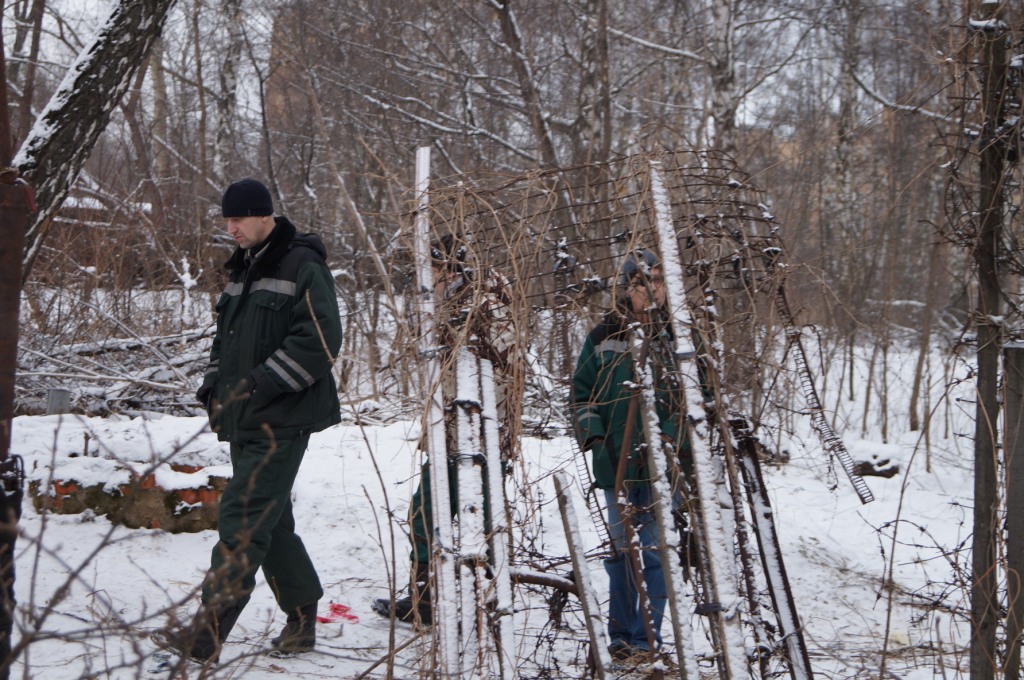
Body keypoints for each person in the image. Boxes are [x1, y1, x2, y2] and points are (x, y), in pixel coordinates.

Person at [159, 178, 342, 663]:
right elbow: (227, 340)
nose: (231, 228)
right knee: (271, 522)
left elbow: (321, 341)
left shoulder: (303, 264)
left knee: (242, 520)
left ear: (266, 216)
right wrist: (214, 384)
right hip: (243, 420)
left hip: (282, 420)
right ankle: (303, 619)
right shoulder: (242, 269)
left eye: (238, 218)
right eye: (227, 219)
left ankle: (206, 635)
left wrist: (259, 383)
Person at [373, 234, 522, 625]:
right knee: (425, 512)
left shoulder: (485, 302)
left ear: (450, 269)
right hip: (449, 433)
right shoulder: (442, 305)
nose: (427, 277)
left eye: (433, 268)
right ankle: (424, 598)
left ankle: (491, 599)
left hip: (481, 436)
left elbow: (505, 363)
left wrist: (486, 430)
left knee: (485, 521)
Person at [572, 248, 692, 664]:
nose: (652, 290)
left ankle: (646, 643)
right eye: (644, 283)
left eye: (658, 282)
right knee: (621, 555)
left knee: (655, 556)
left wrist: (674, 442)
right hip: (615, 468)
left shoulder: (677, 337)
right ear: (628, 288)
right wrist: (597, 440)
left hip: (663, 470)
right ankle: (621, 637)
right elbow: (581, 394)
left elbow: (693, 400)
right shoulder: (604, 336)